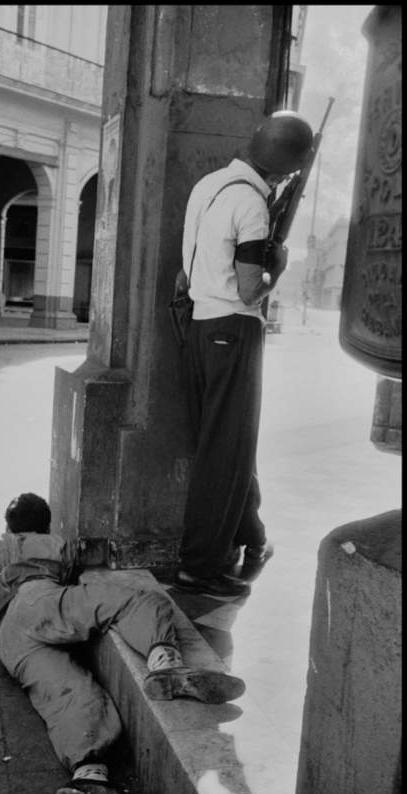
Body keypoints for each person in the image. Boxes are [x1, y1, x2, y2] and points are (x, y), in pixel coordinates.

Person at [0, 492, 246, 794]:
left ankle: (89, 778)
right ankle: (163, 662)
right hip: (39, 601)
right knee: (136, 601)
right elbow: (78, 577)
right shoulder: (54, 542)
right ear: (46, 523)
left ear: (7, 525)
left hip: (6, 638)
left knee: (71, 693)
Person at [173, 110, 314, 600]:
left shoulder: (208, 186)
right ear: (287, 170)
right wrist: (278, 266)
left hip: (198, 326)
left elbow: (185, 271)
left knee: (224, 445)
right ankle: (199, 568)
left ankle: (250, 537)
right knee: (226, 452)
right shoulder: (252, 205)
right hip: (234, 327)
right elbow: (252, 289)